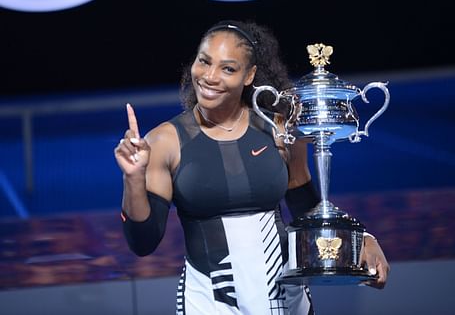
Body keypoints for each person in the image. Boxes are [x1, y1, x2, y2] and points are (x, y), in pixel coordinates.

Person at [114, 19, 390, 315]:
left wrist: (362, 240)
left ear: (250, 76)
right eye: (204, 62)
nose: (209, 77)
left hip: (287, 302)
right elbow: (143, 243)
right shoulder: (164, 141)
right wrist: (133, 178)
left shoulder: (279, 127)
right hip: (209, 305)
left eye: (228, 68)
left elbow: (305, 205)